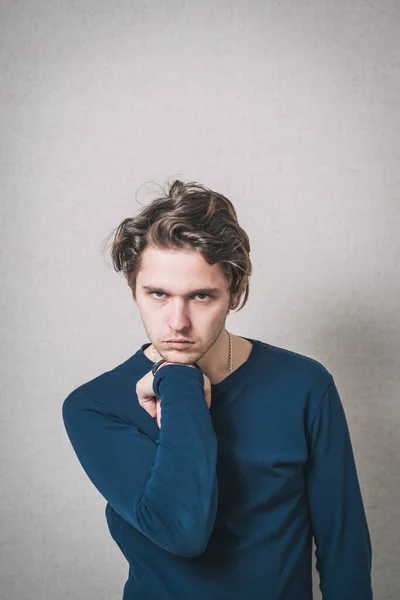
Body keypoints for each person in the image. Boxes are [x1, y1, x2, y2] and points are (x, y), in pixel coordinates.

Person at [62, 179, 373, 599]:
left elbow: (343, 545)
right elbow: (181, 530)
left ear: (235, 292)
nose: (177, 322)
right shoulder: (95, 406)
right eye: (157, 294)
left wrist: (173, 376)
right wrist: (178, 381)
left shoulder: (304, 385)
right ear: (133, 291)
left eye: (201, 297)